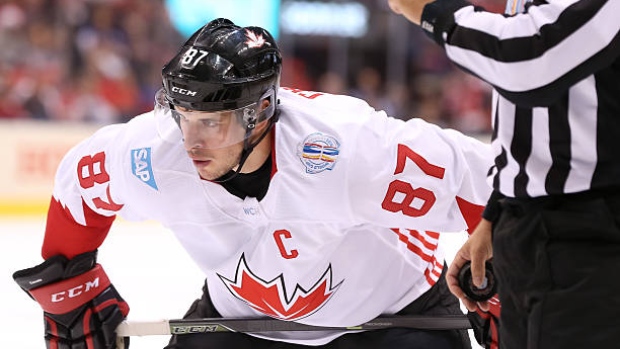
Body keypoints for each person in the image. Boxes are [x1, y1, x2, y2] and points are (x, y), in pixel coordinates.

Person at [12, 18, 495, 349]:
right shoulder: (154, 150)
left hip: (389, 318)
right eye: (183, 117)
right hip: (241, 319)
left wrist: (500, 274)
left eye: (211, 123)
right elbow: (82, 181)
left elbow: (481, 178)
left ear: (259, 112)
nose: (190, 141)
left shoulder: (351, 149)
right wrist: (72, 284)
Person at [386, 0, 620, 348]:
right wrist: (498, 212)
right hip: (535, 227)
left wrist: (431, 11)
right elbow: (534, 112)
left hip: (593, 238)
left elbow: (530, 62)